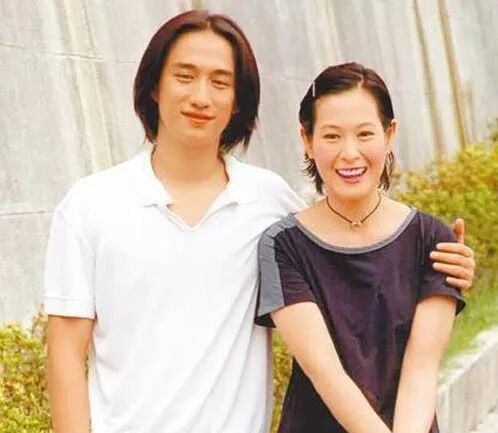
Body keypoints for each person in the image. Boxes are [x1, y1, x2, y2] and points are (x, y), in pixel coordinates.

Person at [43, 10, 475, 433]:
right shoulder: (90, 206)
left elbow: (348, 242)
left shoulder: (269, 202)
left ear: (238, 101)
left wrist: (447, 265)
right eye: (185, 76)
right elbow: (65, 353)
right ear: (155, 85)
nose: (201, 96)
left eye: (220, 82)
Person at [256, 62, 466, 433]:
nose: (350, 153)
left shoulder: (433, 240)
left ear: (389, 134)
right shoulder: (283, 245)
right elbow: (325, 371)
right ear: (307, 140)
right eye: (332, 136)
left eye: (365, 134)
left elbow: (421, 368)